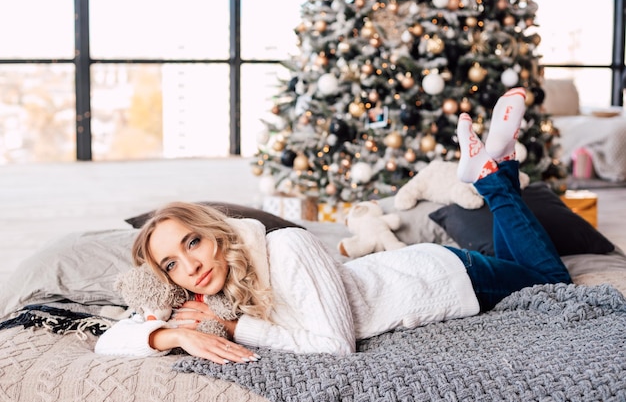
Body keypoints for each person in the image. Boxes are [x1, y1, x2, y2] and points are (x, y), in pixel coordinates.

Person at [95, 88, 572, 364]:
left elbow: (334, 345)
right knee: (518, 263)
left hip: (444, 278)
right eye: (172, 264)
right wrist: (171, 336)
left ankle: (492, 179)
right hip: (417, 270)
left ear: (217, 234)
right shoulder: (195, 294)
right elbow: (109, 341)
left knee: (552, 282)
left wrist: (235, 327)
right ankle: (496, 165)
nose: (190, 265)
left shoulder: (286, 247)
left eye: (193, 242)